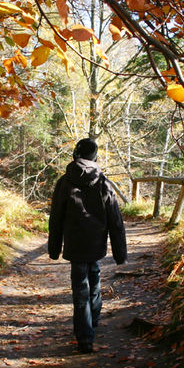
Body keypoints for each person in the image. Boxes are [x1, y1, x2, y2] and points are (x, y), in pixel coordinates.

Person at [48, 138, 127, 353]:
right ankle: (92, 323)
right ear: (95, 156)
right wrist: (120, 253)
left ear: (76, 154)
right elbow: (116, 221)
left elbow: (55, 217)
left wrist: (54, 248)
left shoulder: (65, 182)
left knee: (80, 287)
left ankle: (85, 336)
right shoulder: (103, 183)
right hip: (95, 243)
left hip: (75, 245)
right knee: (94, 276)